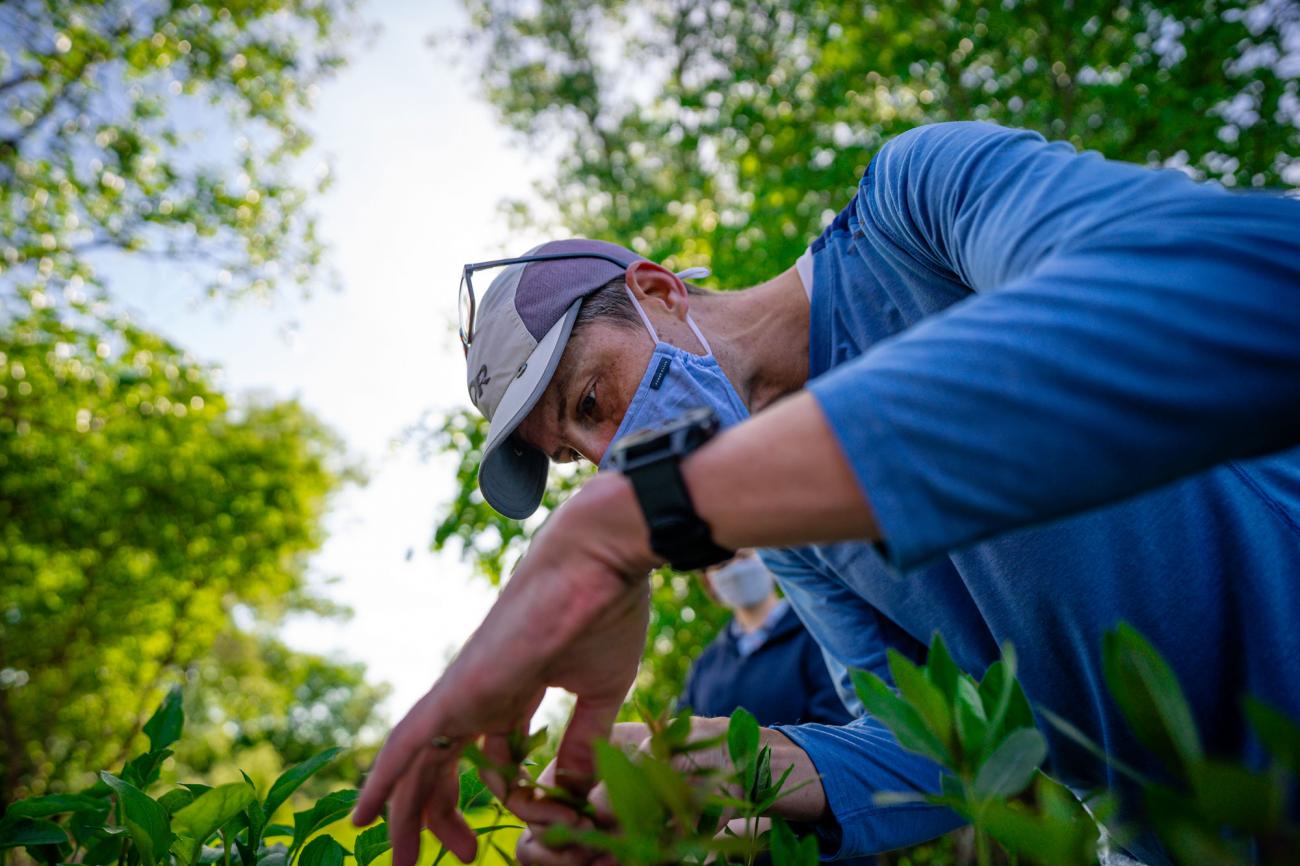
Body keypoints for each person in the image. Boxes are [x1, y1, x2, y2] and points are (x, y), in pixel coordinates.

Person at [353, 122, 1300, 866]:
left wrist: (637, 518)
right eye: (576, 458)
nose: (609, 457)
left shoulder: (915, 213)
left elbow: (1240, 278)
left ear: (657, 289)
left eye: (592, 399)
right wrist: (729, 770)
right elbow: (948, 747)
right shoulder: (793, 536)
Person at [681, 551, 854, 728]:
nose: (735, 568)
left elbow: (838, 724)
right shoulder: (705, 664)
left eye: (743, 557)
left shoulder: (818, 634)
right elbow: (683, 732)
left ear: (770, 559)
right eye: (722, 565)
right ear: (709, 582)